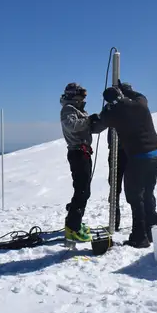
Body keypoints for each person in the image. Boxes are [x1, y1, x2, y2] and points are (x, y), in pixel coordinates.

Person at [95, 82, 157, 248]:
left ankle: (139, 237)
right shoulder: (140, 104)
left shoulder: (114, 113)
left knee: (135, 196)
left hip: (138, 158)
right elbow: (139, 95)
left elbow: (99, 124)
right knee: (148, 192)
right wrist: (126, 89)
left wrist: (107, 109)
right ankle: (149, 230)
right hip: (155, 155)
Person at [59, 82, 105, 242]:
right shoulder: (68, 110)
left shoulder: (78, 110)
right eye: (81, 95)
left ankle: (74, 222)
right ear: (74, 95)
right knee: (82, 191)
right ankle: (73, 228)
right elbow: (72, 126)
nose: (83, 98)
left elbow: (89, 128)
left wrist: (102, 120)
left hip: (83, 152)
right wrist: (89, 120)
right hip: (78, 153)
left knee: (84, 190)